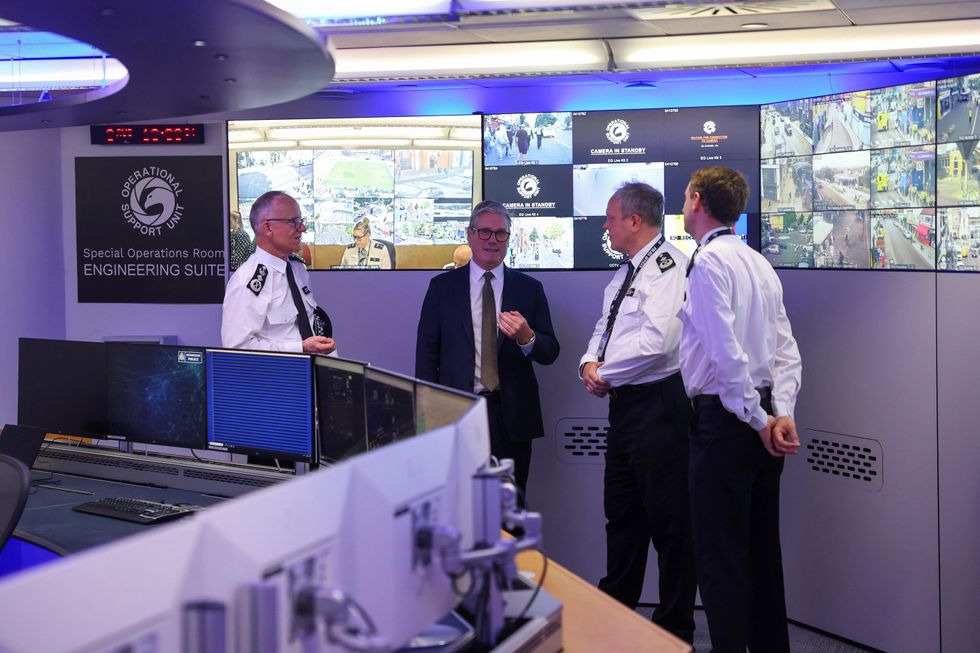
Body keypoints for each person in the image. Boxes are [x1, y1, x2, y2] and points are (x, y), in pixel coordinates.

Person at [679, 166, 802, 653]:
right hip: (762, 419)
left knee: (720, 558)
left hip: (727, 423)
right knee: (761, 555)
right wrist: (780, 413)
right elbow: (786, 351)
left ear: (695, 200)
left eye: (687, 198)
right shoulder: (759, 263)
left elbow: (726, 357)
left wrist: (758, 420)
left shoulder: (708, 265)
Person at [578, 182, 697, 643]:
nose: (605, 227)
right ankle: (615, 618)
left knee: (671, 527)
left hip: (660, 407)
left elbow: (661, 342)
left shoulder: (668, 266)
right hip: (626, 411)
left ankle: (674, 630)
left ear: (633, 221)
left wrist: (605, 372)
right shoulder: (626, 270)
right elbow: (603, 328)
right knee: (622, 519)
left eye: (610, 218)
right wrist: (589, 365)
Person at [415, 200, 559, 496]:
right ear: (470, 234)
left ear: (508, 238)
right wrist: (427, 417)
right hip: (458, 413)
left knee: (510, 506)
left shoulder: (529, 288)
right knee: (460, 504)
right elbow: (427, 356)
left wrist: (526, 337)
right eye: (484, 232)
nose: (492, 240)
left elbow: (550, 351)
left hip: (513, 417)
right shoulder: (442, 288)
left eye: (500, 233)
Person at [222, 191, 335, 354]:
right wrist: (300, 348)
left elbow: (309, 323)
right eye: (293, 222)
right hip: (278, 376)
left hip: (311, 371)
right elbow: (237, 348)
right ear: (267, 227)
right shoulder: (247, 280)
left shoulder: (297, 269)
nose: (302, 228)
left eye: (300, 221)